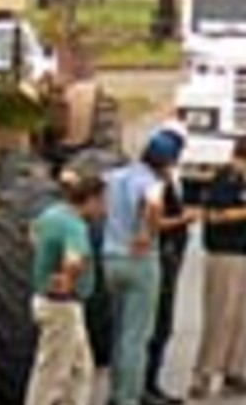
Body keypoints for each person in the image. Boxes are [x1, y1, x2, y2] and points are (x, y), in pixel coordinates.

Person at [189, 136, 246, 400]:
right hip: (224, 255)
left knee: (245, 315)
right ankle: (203, 375)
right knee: (220, 317)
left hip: (242, 256)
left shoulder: (243, 182)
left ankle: (234, 370)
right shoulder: (225, 179)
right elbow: (215, 215)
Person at [103, 131, 180, 405]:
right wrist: (147, 232)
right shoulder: (151, 181)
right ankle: (128, 397)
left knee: (118, 331)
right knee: (136, 336)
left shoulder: (115, 176)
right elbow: (154, 203)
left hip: (111, 258)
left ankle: (114, 391)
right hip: (139, 261)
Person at [24, 171, 107, 405]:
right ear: (91, 200)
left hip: (51, 303)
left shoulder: (52, 214)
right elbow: (74, 258)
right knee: (52, 375)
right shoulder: (74, 225)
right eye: (103, 202)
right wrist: (68, 278)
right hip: (62, 306)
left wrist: (45, 259)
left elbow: (32, 233)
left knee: (81, 369)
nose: (104, 209)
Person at [145, 122, 199, 405]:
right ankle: (146, 386)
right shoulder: (155, 185)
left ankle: (148, 385)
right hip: (160, 259)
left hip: (166, 257)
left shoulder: (163, 180)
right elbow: (154, 224)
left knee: (156, 326)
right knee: (157, 325)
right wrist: (184, 219)